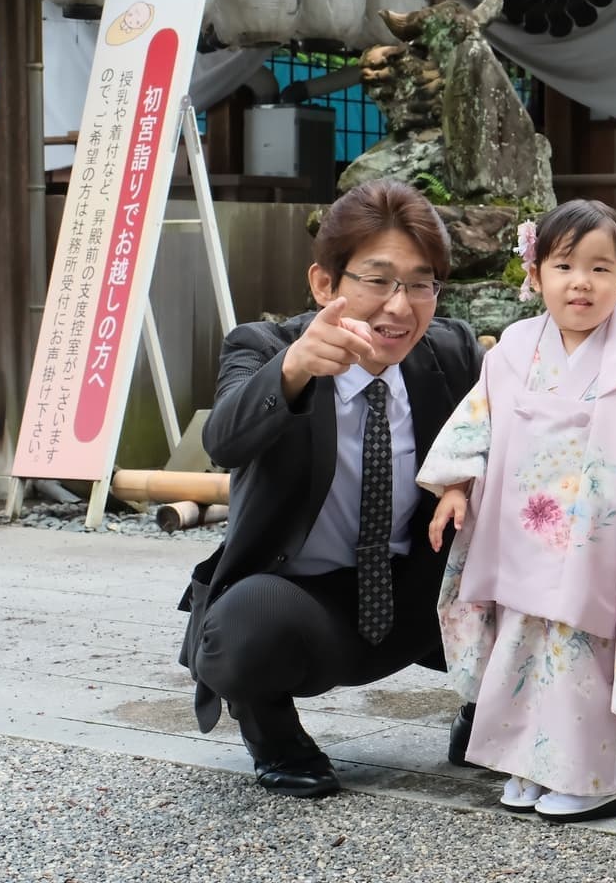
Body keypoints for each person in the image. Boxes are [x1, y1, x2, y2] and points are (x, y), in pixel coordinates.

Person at [177, 179, 484, 798]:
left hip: (417, 593)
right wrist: (291, 371)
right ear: (325, 285)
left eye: (420, 283)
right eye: (377, 280)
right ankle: (276, 739)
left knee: (539, 560)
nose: (400, 307)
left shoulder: (451, 354)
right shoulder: (263, 347)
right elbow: (225, 443)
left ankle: (491, 717)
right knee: (247, 621)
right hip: (301, 600)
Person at [415, 199, 616, 823]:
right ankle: (526, 764)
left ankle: (587, 778)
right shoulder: (511, 351)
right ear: (536, 274)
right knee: (518, 645)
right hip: (519, 526)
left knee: (581, 650)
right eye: (563, 266)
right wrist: (452, 488)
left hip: (595, 534)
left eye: (600, 269)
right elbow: (479, 419)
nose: (580, 282)